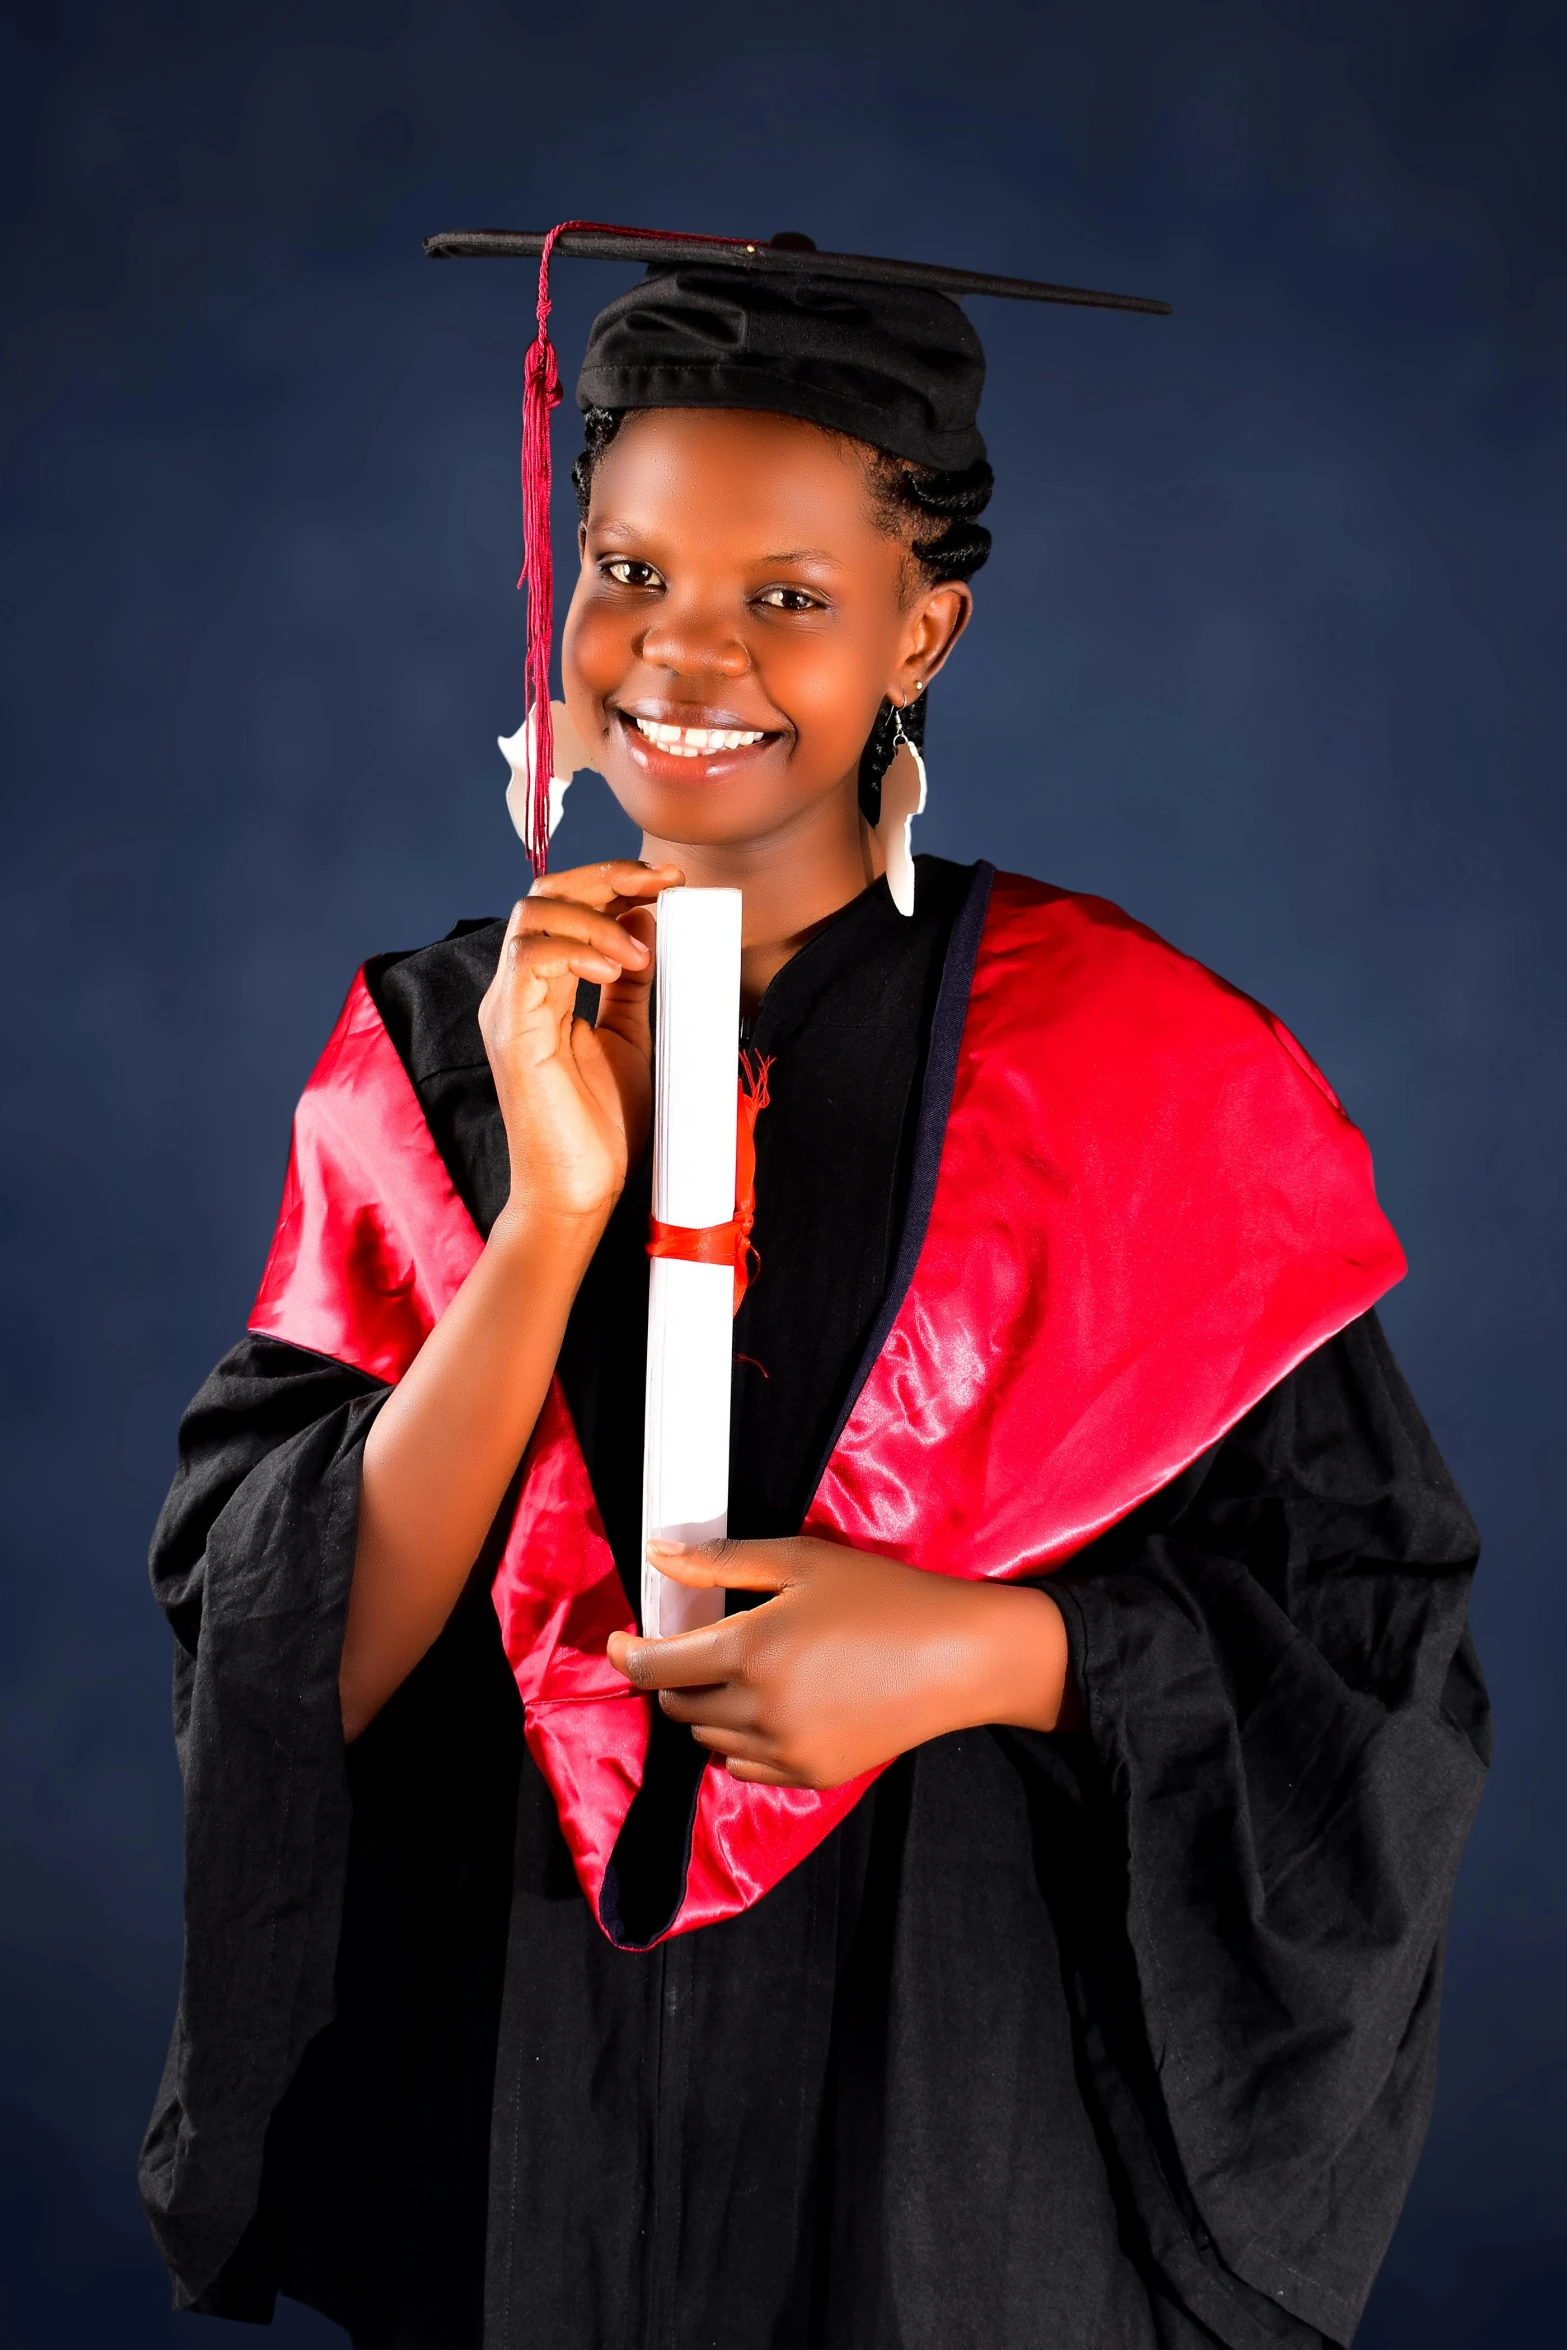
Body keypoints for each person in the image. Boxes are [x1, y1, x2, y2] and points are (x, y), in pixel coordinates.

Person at [141, 228, 1488, 2350]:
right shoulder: (430, 1042)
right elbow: (288, 1643)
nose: (682, 654)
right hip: (528, 2105)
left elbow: (1369, 1654)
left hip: (960, 2113)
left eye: (789, 597)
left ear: (922, 627)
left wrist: (995, 1653)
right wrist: (548, 1211)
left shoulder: (1140, 1071)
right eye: (628, 568)